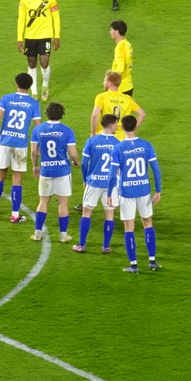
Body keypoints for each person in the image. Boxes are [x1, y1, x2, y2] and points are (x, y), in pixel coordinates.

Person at [107, 114, 162, 273]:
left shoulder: (117, 148)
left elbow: (112, 174)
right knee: (148, 224)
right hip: (144, 190)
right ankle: (152, 261)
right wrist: (158, 190)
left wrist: (110, 193)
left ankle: (134, 265)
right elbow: (156, 170)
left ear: (122, 128)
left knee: (129, 228)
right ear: (136, 126)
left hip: (126, 192)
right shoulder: (146, 145)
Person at [0, 72, 41, 224]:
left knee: (0, 175)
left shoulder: (6, 99)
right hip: (20, 144)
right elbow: (38, 127)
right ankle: (15, 214)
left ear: (16, 84)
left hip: (5, 141)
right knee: (17, 179)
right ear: (30, 86)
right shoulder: (33, 103)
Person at [30, 102, 78, 242]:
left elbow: (34, 152)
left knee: (43, 201)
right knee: (63, 203)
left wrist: (35, 166)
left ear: (47, 113)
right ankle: (63, 235)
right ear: (61, 114)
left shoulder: (38, 130)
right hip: (62, 170)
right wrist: (75, 161)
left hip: (46, 170)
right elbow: (73, 153)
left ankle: (37, 233)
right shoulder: (67, 131)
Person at [74, 114, 120, 253]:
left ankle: (81, 245)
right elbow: (120, 168)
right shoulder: (118, 143)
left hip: (93, 182)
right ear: (111, 125)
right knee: (109, 214)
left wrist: (84, 179)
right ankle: (106, 246)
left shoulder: (92, 141)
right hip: (110, 184)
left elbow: (84, 163)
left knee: (87, 213)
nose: (117, 126)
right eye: (116, 124)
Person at [16, 0, 60, 100]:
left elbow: (56, 17)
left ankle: (45, 86)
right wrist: (20, 38)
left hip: (45, 35)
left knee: (44, 63)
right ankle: (34, 92)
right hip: (30, 36)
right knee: (31, 63)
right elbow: (21, 19)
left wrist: (56, 36)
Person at [90, 70, 145, 138]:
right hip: (121, 139)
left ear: (109, 83)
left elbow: (95, 115)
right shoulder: (127, 99)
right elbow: (142, 114)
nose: (103, 83)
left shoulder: (102, 97)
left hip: (104, 137)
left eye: (105, 81)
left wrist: (93, 133)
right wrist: (132, 128)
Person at [109, 20, 133, 95]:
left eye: (111, 30)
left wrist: (111, 82)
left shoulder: (120, 47)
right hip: (128, 85)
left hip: (120, 88)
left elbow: (120, 69)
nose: (110, 32)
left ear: (117, 31)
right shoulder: (127, 44)